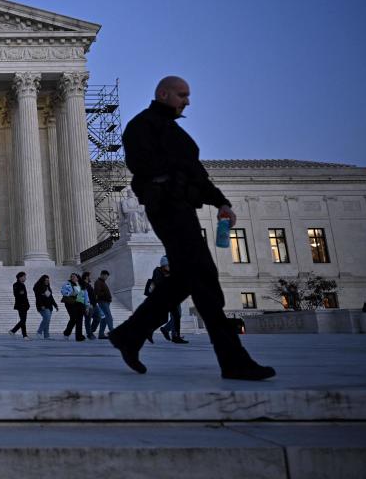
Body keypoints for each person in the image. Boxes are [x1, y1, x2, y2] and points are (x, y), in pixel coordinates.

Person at [109, 76, 275, 380]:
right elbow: (144, 167)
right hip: (167, 207)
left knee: (185, 280)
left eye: (188, 95)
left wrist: (221, 202)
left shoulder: (174, 131)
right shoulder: (142, 126)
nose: (187, 100)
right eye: (182, 95)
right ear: (163, 94)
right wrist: (171, 179)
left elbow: (196, 173)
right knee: (204, 280)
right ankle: (233, 359)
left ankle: (130, 334)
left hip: (183, 207)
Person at [152, 256, 189, 344]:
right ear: (164, 265)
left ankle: (166, 330)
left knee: (177, 315)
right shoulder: (158, 271)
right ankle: (175, 336)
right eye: (168, 265)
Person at [60, 273, 88, 342]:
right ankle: (66, 333)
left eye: (74, 277)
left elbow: (85, 295)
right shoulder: (68, 283)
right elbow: (63, 291)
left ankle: (79, 336)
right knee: (73, 318)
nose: (73, 278)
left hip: (79, 303)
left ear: (77, 278)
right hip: (70, 303)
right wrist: (71, 293)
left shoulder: (80, 285)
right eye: (72, 276)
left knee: (79, 320)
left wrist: (86, 305)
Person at [33, 274, 58, 339]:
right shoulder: (39, 287)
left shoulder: (48, 287)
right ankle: (39, 332)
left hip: (49, 306)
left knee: (47, 320)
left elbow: (51, 297)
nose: (47, 281)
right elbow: (38, 297)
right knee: (47, 318)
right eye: (46, 280)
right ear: (42, 280)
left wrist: (55, 305)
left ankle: (46, 335)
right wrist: (41, 305)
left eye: (48, 280)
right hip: (43, 306)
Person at [9, 271, 31, 339]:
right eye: (24, 277)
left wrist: (27, 304)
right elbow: (17, 294)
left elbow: (24, 295)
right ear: (20, 277)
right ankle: (24, 335)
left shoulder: (22, 285)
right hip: (20, 304)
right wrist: (20, 293)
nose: (25, 278)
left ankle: (13, 331)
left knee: (23, 320)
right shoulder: (16, 284)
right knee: (23, 320)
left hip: (24, 305)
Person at [93, 270, 114, 339]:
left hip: (105, 302)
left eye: (107, 277)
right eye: (106, 276)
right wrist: (105, 295)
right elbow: (97, 292)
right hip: (103, 301)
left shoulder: (102, 282)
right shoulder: (98, 282)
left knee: (104, 318)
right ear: (102, 275)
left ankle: (101, 334)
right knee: (109, 316)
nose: (106, 278)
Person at [81, 271, 99, 339]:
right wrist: (87, 306)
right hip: (88, 305)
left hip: (94, 304)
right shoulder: (83, 285)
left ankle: (90, 331)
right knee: (88, 320)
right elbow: (84, 296)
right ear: (86, 277)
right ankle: (89, 334)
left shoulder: (88, 284)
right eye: (89, 276)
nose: (90, 277)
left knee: (98, 317)